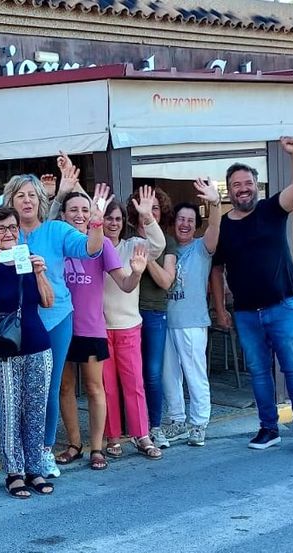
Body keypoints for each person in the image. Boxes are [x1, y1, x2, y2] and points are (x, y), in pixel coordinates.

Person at [210, 137, 293, 456]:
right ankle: (268, 428)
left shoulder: (272, 209)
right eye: (236, 184)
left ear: (257, 185)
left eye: (247, 182)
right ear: (228, 191)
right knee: (258, 373)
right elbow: (215, 269)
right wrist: (219, 309)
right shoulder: (224, 226)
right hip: (245, 313)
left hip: (282, 306)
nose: (243, 188)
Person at [0, 173, 107, 479]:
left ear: (41, 200)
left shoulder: (57, 230)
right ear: (11, 201)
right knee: (19, 389)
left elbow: (90, 249)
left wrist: (96, 224)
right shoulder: (6, 234)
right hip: (17, 321)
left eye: (33, 195)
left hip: (57, 316)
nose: (27, 200)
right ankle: (19, 451)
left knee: (49, 385)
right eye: (20, 195)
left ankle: (44, 450)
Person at [55, 190, 151, 471]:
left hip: (90, 327)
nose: (79, 215)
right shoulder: (57, 242)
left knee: (97, 388)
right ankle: (74, 444)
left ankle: (96, 447)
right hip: (60, 325)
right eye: (73, 210)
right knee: (65, 386)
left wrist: (136, 272)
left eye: (85, 210)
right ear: (62, 215)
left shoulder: (103, 245)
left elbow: (125, 284)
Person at [0, 206, 56, 498]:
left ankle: (35, 469)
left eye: (12, 227)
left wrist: (41, 273)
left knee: (35, 410)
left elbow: (47, 301)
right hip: (0, 350)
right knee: (8, 413)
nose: (8, 233)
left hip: (37, 345)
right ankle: (14, 472)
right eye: (1, 229)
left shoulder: (28, 260)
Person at [100, 192, 166, 460]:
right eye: (108, 218)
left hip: (128, 326)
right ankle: (113, 436)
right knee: (107, 387)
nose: (113, 223)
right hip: (100, 328)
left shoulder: (133, 245)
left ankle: (142, 435)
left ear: (124, 221)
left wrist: (147, 216)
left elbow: (158, 245)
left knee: (134, 383)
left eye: (118, 219)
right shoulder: (93, 247)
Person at [161, 179, 222, 447]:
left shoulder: (201, 248)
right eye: (180, 219)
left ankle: (199, 423)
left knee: (194, 373)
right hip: (166, 320)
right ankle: (176, 419)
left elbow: (215, 228)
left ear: (195, 224)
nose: (184, 224)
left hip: (192, 322)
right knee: (168, 374)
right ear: (174, 222)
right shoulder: (167, 249)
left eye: (190, 220)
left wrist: (215, 203)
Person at [127, 187, 180, 449]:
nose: (149, 211)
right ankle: (133, 426)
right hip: (124, 315)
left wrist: (145, 257)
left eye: (155, 208)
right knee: (130, 373)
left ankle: (154, 427)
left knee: (152, 373)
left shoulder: (166, 242)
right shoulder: (124, 238)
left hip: (154, 313)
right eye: (144, 206)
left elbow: (166, 281)